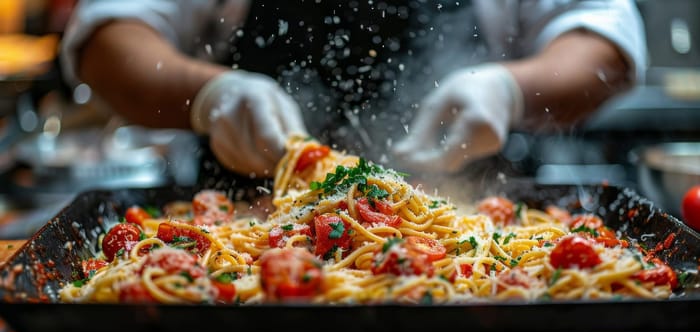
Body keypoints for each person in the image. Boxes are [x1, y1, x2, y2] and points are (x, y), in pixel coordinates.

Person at [60, 0, 646, 178]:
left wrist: (510, 90)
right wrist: (210, 97)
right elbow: (106, 40)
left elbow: (605, 42)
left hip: (481, 226)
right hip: (242, 226)